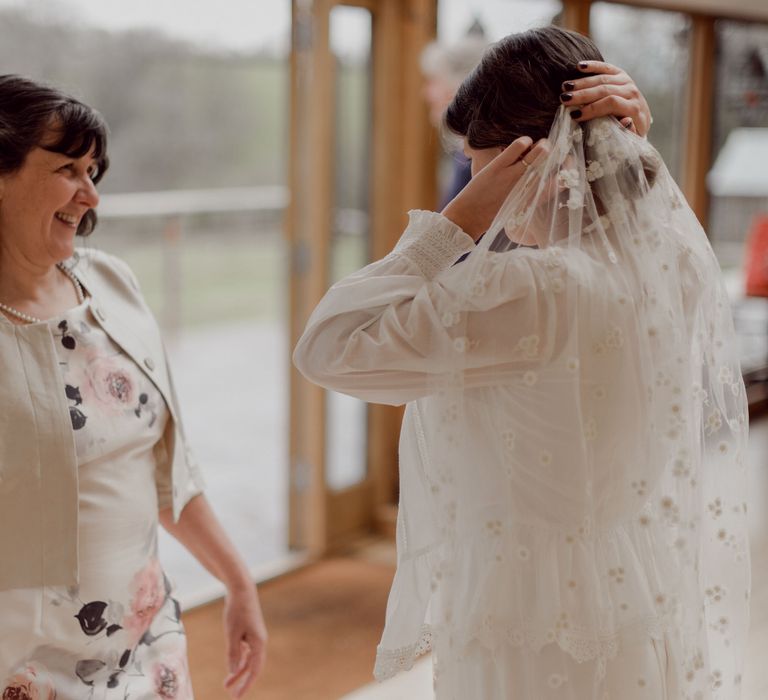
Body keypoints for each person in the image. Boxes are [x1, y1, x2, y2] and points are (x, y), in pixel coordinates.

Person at [294, 27, 749, 699]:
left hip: (531, 618)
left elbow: (326, 346)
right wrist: (627, 137)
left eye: (477, 162)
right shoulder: (672, 261)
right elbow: (638, 207)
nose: (474, 180)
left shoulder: (533, 291)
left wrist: (448, 226)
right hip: (632, 590)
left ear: (535, 161)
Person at [0, 75, 267, 699]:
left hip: (147, 643)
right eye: (69, 168)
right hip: (23, 663)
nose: (90, 195)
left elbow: (164, 465)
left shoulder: (112, 284)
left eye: (95, 170)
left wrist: (238, 581)